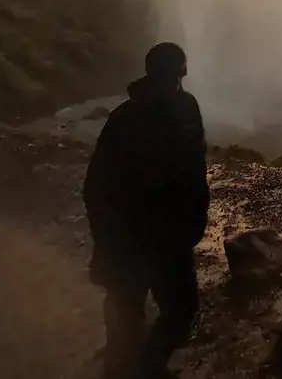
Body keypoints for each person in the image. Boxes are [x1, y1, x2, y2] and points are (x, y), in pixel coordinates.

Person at [83, 42, 209, 379]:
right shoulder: (162, 114)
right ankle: (137, 367)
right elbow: (97, 188)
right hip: (149, 237)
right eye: (175, 74)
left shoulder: (142, 115)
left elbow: (96, 186)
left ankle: (135, 367)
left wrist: (104, 239)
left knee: (145, 310)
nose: (177, 81)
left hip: (152, 237)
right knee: (160, 309)